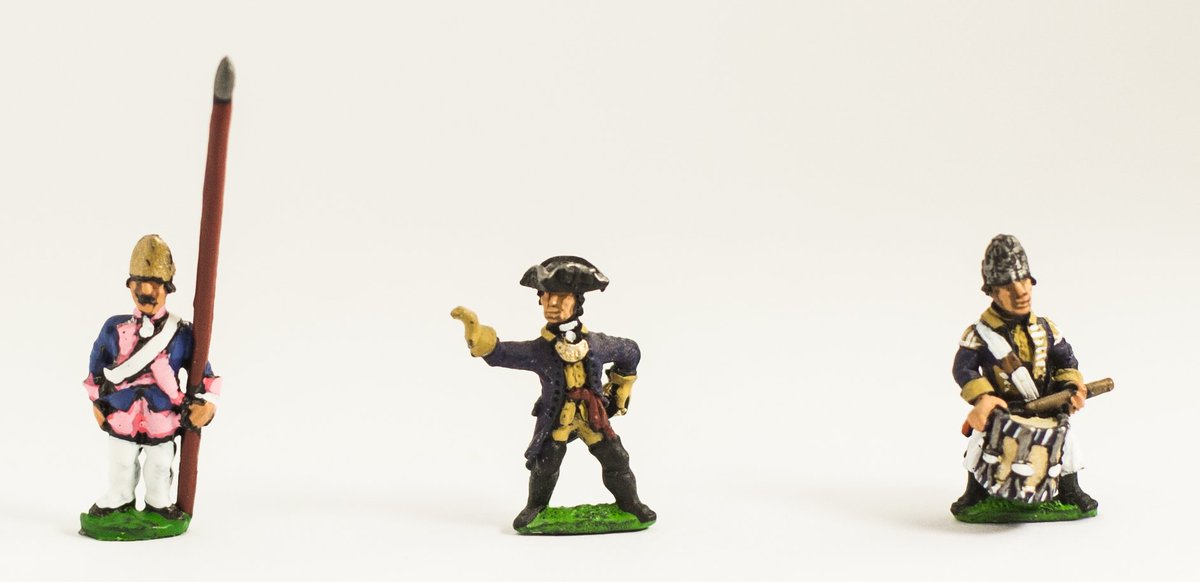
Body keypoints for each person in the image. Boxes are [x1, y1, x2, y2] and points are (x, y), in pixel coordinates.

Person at [452, 256, 655, 530]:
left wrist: (621, 386)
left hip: (592, 415)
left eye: (561, 297)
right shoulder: (540, 350)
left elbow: (630, 351)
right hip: (558, 417)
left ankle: (630, 504)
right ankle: (535, 508)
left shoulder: (597, 344)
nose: (553, 304)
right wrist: (479, 338)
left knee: (617, 458)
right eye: (547, 297)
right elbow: (502, 353)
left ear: (577, 300)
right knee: (546, 463)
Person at [951, 234, 1097, 516]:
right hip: (1001, 409)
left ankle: (1070, 490)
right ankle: (974, 492)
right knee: (977, 444)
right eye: (1008, 286)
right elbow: (963, 369)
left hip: (1046, 407)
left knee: (1068, 444)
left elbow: (1066, 360)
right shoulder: (979, 334)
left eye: (1025, 281)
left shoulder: (1047, 329)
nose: (1021, 292)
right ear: (993, 292)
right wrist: (983, 398)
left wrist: (1072, 387)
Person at [84, 234, 220, 520]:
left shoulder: (182, 333)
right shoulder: (113, 328)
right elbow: (96, 369)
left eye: (155, 284)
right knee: (121, 463)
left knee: (159, 465)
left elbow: (204, 375)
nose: (146, 290)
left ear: (167, 289)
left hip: (163, 415)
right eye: (140, 283)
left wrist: (207, 405)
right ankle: (118, 499)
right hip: (121, 411)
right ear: (130, 286)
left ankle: (159, 503)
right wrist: (97, 403)